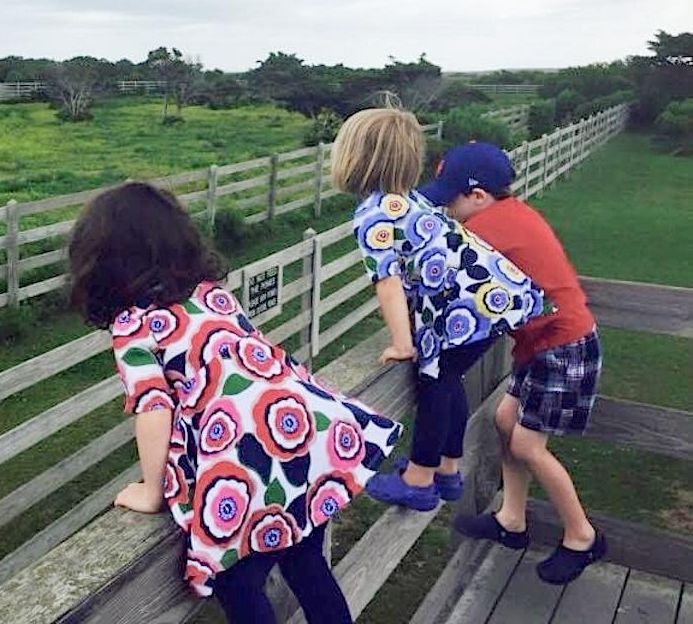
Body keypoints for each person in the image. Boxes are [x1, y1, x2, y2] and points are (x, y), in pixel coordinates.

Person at [67, 182, 402, 624]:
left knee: (237, 582)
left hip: (245, 456)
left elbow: (153, 408)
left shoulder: (133, 327)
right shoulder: (211, 294)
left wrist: (151, 491)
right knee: (306, 560)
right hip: (301, 431)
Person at [329, 108, 547, 512]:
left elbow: (388, 283)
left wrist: (401, 342)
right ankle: (447, 469)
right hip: (490, 301)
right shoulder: (409, 201)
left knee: (435, 381)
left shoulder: (374, 215)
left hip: (466, 310)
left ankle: (419, 478)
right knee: (448, 378)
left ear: (353, 161)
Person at [418, 141, 607, 584]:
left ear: (479, 197)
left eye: (451, 201)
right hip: (542, 343)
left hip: (563, 345)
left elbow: (447, 278)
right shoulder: (511, 214)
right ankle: (512, 520)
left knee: (527, 446)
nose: (447, 210)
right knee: (506, 419)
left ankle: (583, 537)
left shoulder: (487, 231)